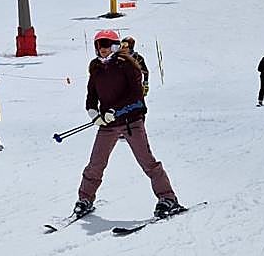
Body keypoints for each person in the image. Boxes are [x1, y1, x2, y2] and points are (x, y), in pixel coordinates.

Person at [74, 30, 183, 218]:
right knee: (96, 163)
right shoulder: (96, 67)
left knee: (147, 162)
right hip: (108, 124)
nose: (102, 49)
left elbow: (135, 95)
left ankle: (168, 198)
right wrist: (94, 113)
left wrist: (114, 110)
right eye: (98, 45)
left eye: (105, 44)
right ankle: (85, 199)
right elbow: (91, 95)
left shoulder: (127, 64)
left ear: (115, 46)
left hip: (131, 121)